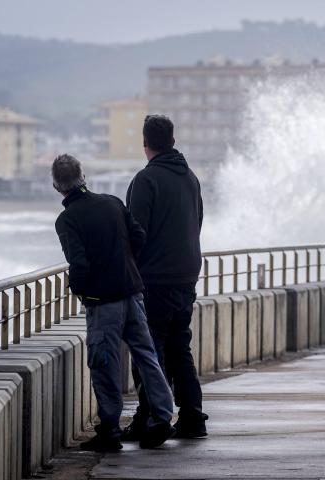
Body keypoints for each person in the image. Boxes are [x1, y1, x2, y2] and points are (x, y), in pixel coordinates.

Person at [52, 154, 176, 451]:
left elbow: (78, 264)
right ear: (83, 176)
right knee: (147, 356)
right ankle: (161, 418)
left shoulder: (67, 219)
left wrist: (81, 290)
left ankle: (109, 430)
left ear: (56, 185)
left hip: (102, 301)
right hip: (132, 293)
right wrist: (126, 265)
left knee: (103, 363)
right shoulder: (112, 202)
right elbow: (139, 236)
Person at [122, 115, 207, 440]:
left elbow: (135, 235)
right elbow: (197, 222)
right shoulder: (191, 178)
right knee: (179, 349)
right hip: (186, 277)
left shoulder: (147, 180)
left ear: (145, 144)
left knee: (149, 350)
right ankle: (193, 418)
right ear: (172, 140)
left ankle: (150, 418)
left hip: (154, 281)